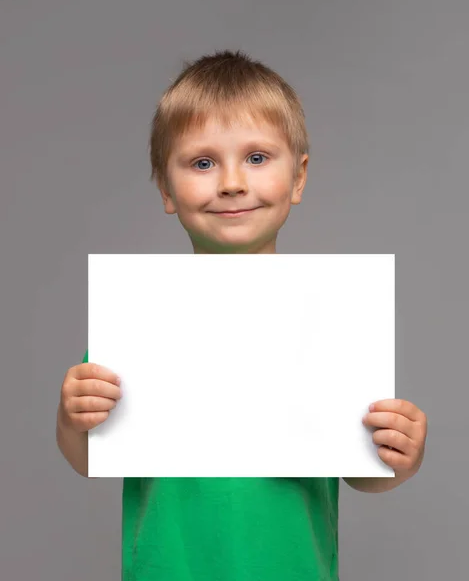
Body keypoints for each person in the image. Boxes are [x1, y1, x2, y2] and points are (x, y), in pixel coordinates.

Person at [56, 49, 428, 581]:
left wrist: (399, 456)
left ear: (298, 178)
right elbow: (91, 456)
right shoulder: (138, 321)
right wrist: (72, 420)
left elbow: (363, 472)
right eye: (202, 162)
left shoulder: (330, 320)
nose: (231, 181)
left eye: (257, 157)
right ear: (166, 187)